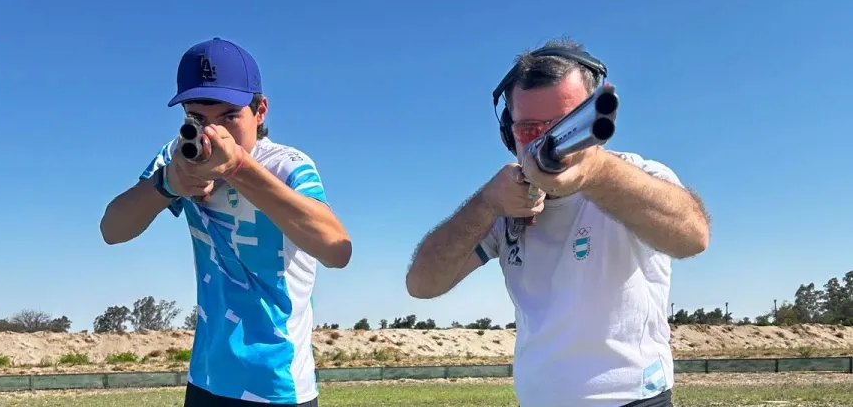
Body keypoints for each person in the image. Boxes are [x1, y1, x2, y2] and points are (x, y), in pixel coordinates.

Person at [405, 38, 710, 407]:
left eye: (564, 124)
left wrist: (596, 174)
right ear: (508, 133)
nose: (546, 139)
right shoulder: (505, 203)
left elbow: (693, 237)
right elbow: (423, 283)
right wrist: (486, 204)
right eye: (529, 129)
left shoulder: (636, 175)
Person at [100, 37, 352, 407]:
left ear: (260, 110)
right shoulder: (178, 158)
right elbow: (112, 229)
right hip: (205, 379)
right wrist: (166, 185)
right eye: (197, 119)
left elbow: (337, 249)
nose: (213, 133)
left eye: (229, 117)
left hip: (277, 387)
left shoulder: (287, 166)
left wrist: (237, 168)